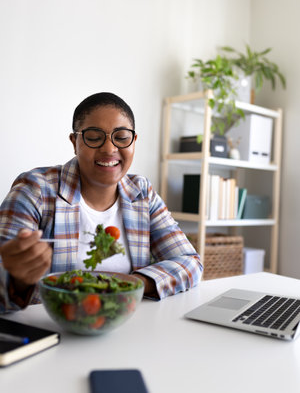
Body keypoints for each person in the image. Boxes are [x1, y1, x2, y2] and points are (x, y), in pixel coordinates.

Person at [0, 92, 202, 312]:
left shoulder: (142, 193)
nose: (109, 149)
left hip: (124, 327)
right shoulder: (35, 189)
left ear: (134, 141)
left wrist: (131, 285)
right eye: (94, 137)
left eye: (122, 137)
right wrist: (17, 279)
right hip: (51, 332)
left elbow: (189, 261)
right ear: (74, 142)